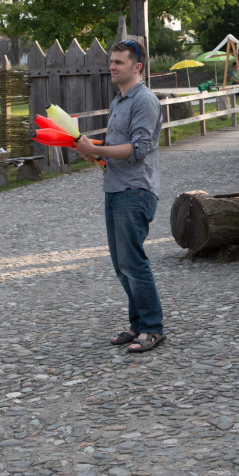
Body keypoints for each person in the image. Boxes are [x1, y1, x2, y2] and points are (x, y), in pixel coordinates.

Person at [75, 40, 165, 353]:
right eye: (111, 61)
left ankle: (153, 328)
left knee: (134, 262)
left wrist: (97, 149)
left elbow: (138, 150)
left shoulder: (145, 101)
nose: (111, 67)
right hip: (114, 189)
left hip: (135, 191)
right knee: (120, 263)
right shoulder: (119, 101)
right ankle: (137, 324)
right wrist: (96, 155)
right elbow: (117, 149)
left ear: (137, 67)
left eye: (118, 63)